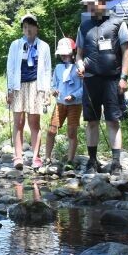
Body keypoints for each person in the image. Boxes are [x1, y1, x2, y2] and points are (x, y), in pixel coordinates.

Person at [75, 0, 128, 174]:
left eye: (92, 4)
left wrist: (124, 77)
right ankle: (92, 161)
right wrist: (79, 65)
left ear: (102, 3)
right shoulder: (84, 26)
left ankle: (116, 162)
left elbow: (127, 51)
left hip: (113, 79)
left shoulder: (118, 23)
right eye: (87, 5)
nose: (89, 7)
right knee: (91, 121)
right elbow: (79, 55)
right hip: (90, 79)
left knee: (113, 120)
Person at [6, 13, 52, 170]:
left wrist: (47, 92)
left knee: (34, 123)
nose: (28, 29)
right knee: (18, 122)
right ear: (22, 30)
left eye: (31, 26)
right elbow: (10, 68)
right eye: (25, 27)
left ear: (36, 28)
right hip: (18, 86)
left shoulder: (44, 46)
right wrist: (9, 90)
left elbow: (47, 70)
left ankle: (36, 157)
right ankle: (18, 157)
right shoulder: (15, 45)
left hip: (36, 86)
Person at [42, 38, 83, 174]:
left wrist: (74, 96)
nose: (64, 56)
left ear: (73, 52)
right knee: (51, 130)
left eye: (66, 53)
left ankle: (70, 160)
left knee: (71, 132)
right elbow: (54, 84)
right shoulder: (58, 68)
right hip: (60, 103)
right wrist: (54, 91)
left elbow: (84, 87)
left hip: (75, 105)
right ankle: (47, 157)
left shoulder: (79, 67)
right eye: (62, 54)